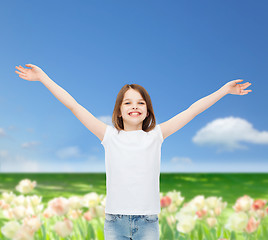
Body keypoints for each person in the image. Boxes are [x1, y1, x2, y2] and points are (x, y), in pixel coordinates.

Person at [15, 64, 252, 240]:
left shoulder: (156, 135)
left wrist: (224, 90)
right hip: (114, 222)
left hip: (148, 222)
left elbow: (192, 111)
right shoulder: (109, 136)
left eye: (140, 102)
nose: (134, 106)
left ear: (147, 111)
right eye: (128, 102)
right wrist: (43, 77)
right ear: (119, 111)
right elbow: (74, 106)